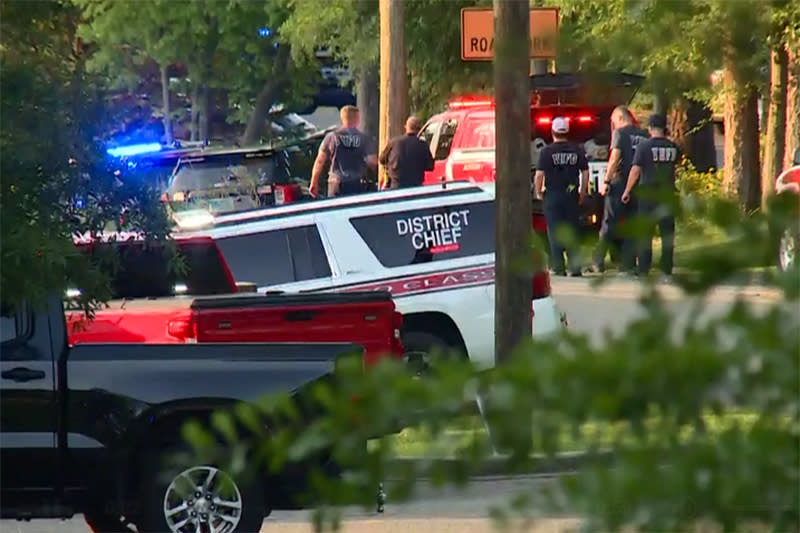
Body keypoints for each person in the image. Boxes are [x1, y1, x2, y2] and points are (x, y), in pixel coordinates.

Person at [622, 113, 681, 281]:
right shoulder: (673, 147)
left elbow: (635, 171)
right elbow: (674, 169)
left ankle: (643, 269)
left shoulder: (644, 147)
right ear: (664, 128)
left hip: (648, 195)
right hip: (667, 194)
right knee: (667, 234)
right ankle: (666, 271)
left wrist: (627, 191)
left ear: (650, 128)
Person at [591, 105, 649, 274]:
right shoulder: (644, 135)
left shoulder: (620, 134)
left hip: (618, 183)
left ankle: (598, 261)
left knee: (609, 223)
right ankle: (627, 263)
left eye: (613, 122)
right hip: (638, 184)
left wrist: (606, 180)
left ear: (620, 118)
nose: (613, 125)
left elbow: (615, 157)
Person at [534, 117, 589, 277]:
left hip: (552, 195)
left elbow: (539, 175)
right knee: (572, 230)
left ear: (552, 132)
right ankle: (575, 267)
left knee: (554, 230)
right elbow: (585, 173)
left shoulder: (546, 151)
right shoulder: (577, 149)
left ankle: (558, 267)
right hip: (571, 195)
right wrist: (583, 193)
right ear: (567, 132)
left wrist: (538, 192)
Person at [309, 105, 378, 198]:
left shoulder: (331, 137)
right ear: (357, 118)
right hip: (357, 183)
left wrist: (314, 182)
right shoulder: (364, 138)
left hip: (335, 182)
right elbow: (372, 161)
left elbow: (320, 161)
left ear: (342, 118)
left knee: (335, 210)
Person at [378, 116, 434, 189]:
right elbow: (430, 166)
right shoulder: (423, 145)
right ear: (419, 129)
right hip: (415, 186)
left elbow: (382, 159)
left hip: (395, 186)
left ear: (405, 128)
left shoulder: (393, 143)